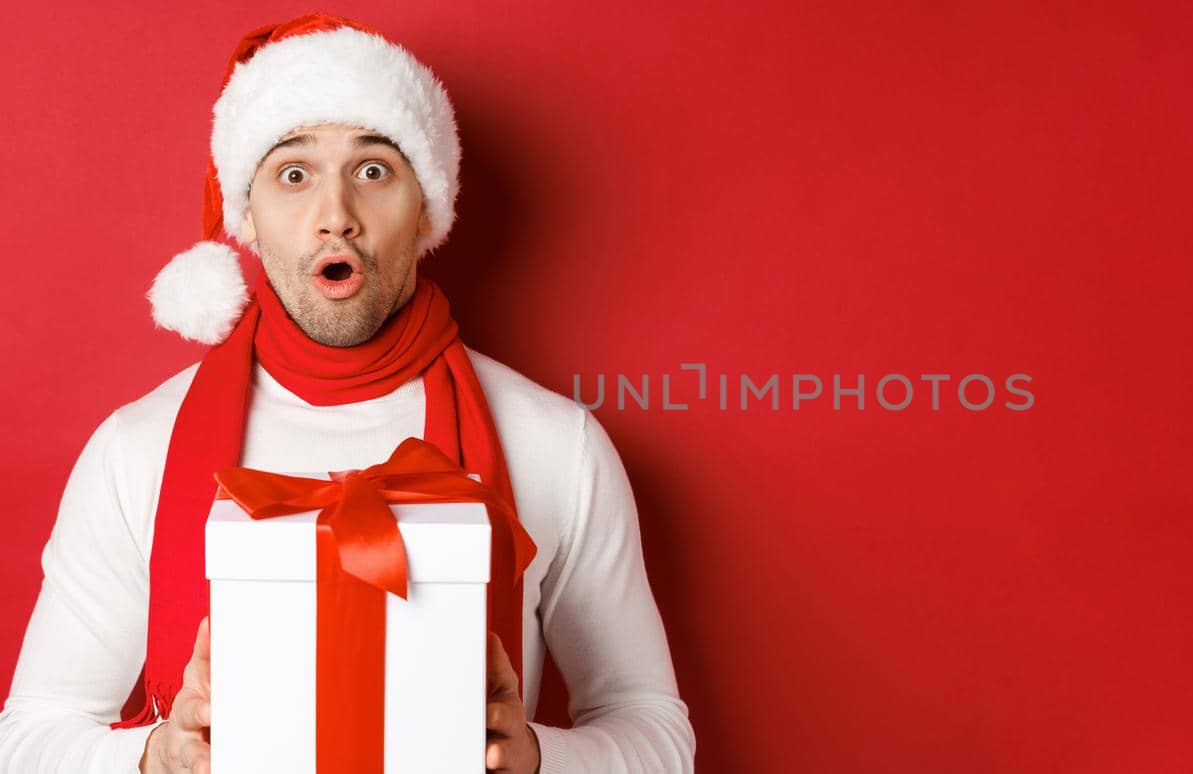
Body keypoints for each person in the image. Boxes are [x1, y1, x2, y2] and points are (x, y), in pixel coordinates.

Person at [0, 12, 694, 774]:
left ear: (427, 208)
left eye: (373, 170)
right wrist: (153, 759)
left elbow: (656, 737)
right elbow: (26, 740)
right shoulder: (136, 450)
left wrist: (532, 759)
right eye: (293, 175)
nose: (336, 216)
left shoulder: (556, 445)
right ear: (248, 216)